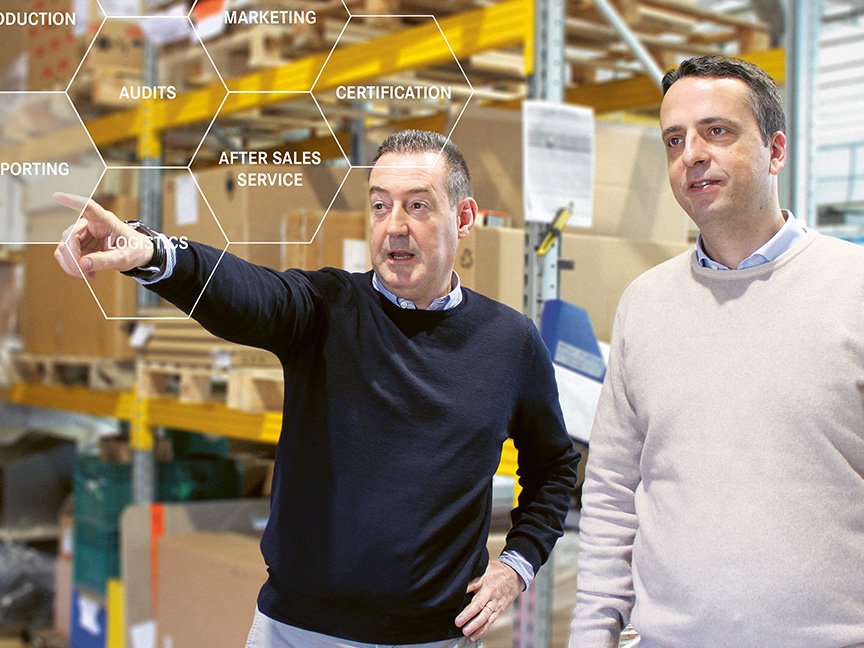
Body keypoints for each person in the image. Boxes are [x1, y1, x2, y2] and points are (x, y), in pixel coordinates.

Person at [54, 130, 580, 647]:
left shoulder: (509, 342)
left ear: (463, 218)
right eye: (380, 207)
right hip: (295, 632)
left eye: (417, 206)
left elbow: (553, 467)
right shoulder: (323, 308)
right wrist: (150, 251)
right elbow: (247, 292)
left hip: (433, 639)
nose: (394, 227)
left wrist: (517, 565)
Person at [569, 55, 864, 647]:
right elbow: (610, 493)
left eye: (717, 132)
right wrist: (591, 635)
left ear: (776, 151)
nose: (692, 154)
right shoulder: (645, 304)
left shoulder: (853, 286)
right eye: (674, 139)